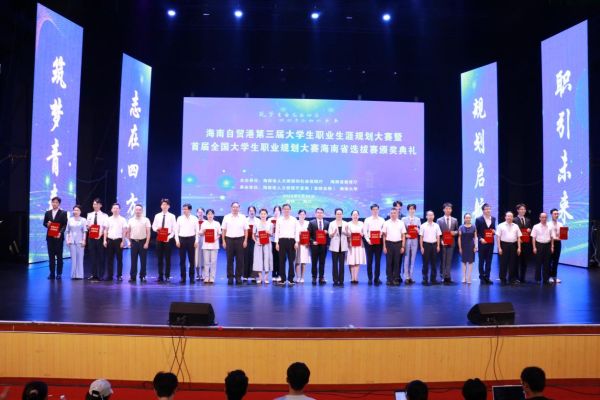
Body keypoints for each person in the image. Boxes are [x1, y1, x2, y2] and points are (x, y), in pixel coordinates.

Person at [222, 202, 249, 285]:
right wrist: (223, 241)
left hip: (240, 240)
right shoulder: (226, 217)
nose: (235, 208)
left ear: (239, 208)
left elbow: (246, 230)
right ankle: (230, 277)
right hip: (229, 240)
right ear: (231, 208)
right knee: (229, 260)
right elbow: (224, 230)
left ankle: (238, 277)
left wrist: (245, 240)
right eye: (233, 207)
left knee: (240, 260)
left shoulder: (243, 217)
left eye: (237, 207)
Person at [43, 196, 68, 280]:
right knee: (51, 257)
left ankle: (59, 274)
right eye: (53, 202)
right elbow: (44, 223)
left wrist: (60, 233)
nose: (54, 204)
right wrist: (47, 224)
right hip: (50, 237)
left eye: (56, 202)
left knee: (59, 256)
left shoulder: (63, 213)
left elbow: (65, 225)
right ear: (51, 203)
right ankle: (52, 273)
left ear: (59, 204)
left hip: (58, 237)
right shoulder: (47, 213)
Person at [152, 199, 177, 282]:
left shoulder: (172, 216)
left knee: (168, 258)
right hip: (159, 236)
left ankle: (167, 275)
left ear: (169, 206)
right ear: (161, 206)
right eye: (163, 204)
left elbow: (174, 229)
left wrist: (169, 237)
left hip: (168, 237)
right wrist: (157, 229)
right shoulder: (157, 216)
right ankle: (160, 275)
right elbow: (153, 226)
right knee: (159, 257)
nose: (164, 206)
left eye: (166, 205)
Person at [275, 203, 299, 286]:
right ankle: (283, 279)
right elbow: (277, 232)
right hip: (281, 241)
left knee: (291, 261)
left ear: (290, 210)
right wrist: (276, 243)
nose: (286, 210)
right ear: (282, 210)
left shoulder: (294, 219)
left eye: (288, 209)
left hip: (291, 241)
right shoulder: (279, 220)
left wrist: (296, 242)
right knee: (281, 261)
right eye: (285, 209)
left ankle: (291, 279)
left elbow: (296, 232)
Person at [103, 203, 128, 281]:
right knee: (109, 259)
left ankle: (119, 275)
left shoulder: (123, 219)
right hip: (110, 240)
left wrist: (123, 241)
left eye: (117, 208)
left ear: (119, 210)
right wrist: (104, 240)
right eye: (114, 208)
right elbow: (105, 230)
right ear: (111, 210)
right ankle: (110, 275)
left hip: (118, 240)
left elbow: (124, 231)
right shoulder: (108, 219)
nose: (115, 210)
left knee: (119, 259)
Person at [175, 203, 199, 284]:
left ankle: (192, 278)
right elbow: (176, 231)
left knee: (191, 260)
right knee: (182, 260)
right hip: (182, 239)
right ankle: (183, 277)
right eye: (183, 209)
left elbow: (197, 231)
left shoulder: (194, 218)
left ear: (190, 210)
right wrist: (177, 240)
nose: (184, 210)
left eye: (185, 209)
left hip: (191, 239)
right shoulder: (179, 218)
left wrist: (196, 241)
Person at [496, 211, 522, 285]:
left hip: (513, 245)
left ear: (513, 217)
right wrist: (499, 248)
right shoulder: (500, 225)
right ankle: (502, 278)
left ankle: (511, 279)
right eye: (508, 216)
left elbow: (519, 237)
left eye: (511, 216)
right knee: (503, 263)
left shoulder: (516, 226)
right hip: (504, 245)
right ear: (505, 217)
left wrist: (519, 248)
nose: (509, 217)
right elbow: (498, 237)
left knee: (512, 263)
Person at [382, 207, 406, 285]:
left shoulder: (401, 223)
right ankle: (389, 279)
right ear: (390, 214)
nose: (393, 214)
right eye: (391, 213)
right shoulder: (386, 223)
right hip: (389, 244)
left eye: (394, 213)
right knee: (389, 262)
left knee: (397, 262)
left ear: (397, 214)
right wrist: (384, 246)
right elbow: (384, 236)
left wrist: (403, 246)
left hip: (398, 244)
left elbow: (403, 235)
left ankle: (396, 278)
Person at [128, 204, 151, 282]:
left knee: (143, 260)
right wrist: (130, 241)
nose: (138, 211)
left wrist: (147, 243)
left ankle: (143, 276)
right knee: (133, 260)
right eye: (136, 209)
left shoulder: (146, 220)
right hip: (134, 242)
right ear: (134, 210)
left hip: (143, 242)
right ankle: (133, 276)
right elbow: (128, 232)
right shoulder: (130, 220)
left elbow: (148, 232)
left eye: (139, 210)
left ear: (142, 211)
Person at [362, 203, 385, 286]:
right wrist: (368, 241)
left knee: (378, 261)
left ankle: (376, 278)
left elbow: (383, 230)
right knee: (369, 260)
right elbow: (365, 232)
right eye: (373, 209)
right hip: (369, 242)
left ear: (378, 210)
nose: (375, 211)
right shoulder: (367, 220)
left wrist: (380, 234)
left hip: (379, 242)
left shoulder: (382, 220)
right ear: (371, 210)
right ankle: (370, 278)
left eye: (376, 209)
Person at [86, 198, 108, 281]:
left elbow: (105, 228)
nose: (95, 205)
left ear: (100, 205)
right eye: (94, 204)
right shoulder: (89, 214)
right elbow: (87, 226)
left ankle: (101, 275)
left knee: (101, 256)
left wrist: (100, 235)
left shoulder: (104, 215)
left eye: (96, 204)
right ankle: (93, 274)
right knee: (92, 256)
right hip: (91, 238)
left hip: (100, 238)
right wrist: (88, 227)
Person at [437, 202, 458, 284]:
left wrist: (454, 233)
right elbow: (438, 232)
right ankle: (442, 276)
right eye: (446, 208)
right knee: (443, 260)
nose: (448, 210)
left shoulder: (455, 220)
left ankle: (448, 276)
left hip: (451, 242)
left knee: (449, 260)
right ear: (443, 210)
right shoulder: (439, 220)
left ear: (451, 210)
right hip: (443, 242)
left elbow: (457, 230)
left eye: (449, 209)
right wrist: (440, 241)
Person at [475, 203, 496, 285]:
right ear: (483, 210)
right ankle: (481, 277)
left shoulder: (493, 219)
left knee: (489, 261)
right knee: (481, 260)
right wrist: (480, 239)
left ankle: (487, 277)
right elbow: (477, 232)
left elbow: (493, 229)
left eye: (489, 209)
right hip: (482, 243)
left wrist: (494, 231)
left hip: (490, 242)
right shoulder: (478, 219)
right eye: (486, 209)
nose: (488, 210)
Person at [308, 207, 329, 285]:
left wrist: (327, 232)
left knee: (322, 262)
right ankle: (314, 277)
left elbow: (329, 235)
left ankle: (321, 277)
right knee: (314, 262)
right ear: (315, 214)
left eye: (321, 213)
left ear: (323, 214)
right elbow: (308, 235)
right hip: (314, 246)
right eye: (318, 212)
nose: (319, 214)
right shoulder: (311, 223)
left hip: (323, 246)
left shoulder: (327, 223)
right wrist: (312, 241)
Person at [420, 211, 441, 285]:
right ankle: (425, 279)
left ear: (434, 216)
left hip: (434, 245)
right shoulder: (423, 225)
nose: (430, 216)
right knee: (425, 263)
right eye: (429, 215)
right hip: (426, 245)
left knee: (434, 263)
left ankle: (433, 279)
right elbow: (421, 237)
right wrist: (421, 247)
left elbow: (438, 236)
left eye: (432, 215)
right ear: (426, 216)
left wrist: (438, 246)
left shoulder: (436, 225)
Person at [199, 209, 221, 284]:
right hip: (206, 245)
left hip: (214, 245)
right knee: (206, 262)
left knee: (213, 262)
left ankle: (212, 278)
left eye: (211, 214)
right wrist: (203, 231)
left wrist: (215, 238)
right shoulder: (204, 223)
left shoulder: (217, 223)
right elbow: (200, 233)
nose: (210, 215)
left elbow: (219, 234)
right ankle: (206, 277)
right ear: (206, 215)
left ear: (213, 215)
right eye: (208, 214)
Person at [402, 204, 421, 284]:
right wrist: (406, 235)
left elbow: (420, 231)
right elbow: (402, 230)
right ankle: (406, 276)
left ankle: (411, 276)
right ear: (408, 210)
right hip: (407, 240)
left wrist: (417, 229)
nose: (412, 210)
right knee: (406, 258)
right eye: (410, 209)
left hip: (415, 240)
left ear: (415, 210)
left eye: (413, 209)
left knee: (413, 258)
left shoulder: (418, 219)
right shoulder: (404, 219)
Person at [65, 205, 87, 279]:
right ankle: (73, 275)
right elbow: (67, 231)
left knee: (80, 258)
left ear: (80, 211)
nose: (75, 211)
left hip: (80, 241)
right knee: (73, 259)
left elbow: (84, 231)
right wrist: (67, 240)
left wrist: (84, 240)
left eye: (77, 210)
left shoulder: (83, 220)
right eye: (74, 210)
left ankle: (79, 275)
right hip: (71, 241)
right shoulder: (70, 220)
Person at [531, 212, 553, 284]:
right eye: (542, 217)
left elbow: (552, 237)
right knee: (538, 262)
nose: (544, 219)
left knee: (547, 263)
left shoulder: (550, 226)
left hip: (547, 245)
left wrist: (552, 246)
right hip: (539, 245)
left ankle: (546, 279)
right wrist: (534, 247)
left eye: (545, 217)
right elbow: (533, 238)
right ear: (539, 218)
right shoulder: (536, 226)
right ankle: (538, 279)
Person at [329, 208, 348, 287]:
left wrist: (345, 232)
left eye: (340, 214)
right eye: (337, 214)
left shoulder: (346, 223)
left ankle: (341, 280)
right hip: (334, 246)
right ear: (335, 215)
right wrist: (333, 233)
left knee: (342, 264)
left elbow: (349, 234)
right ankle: (335, 280)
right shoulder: (332, 223)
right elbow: (330, 235)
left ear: (342, 215)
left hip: (343, 246)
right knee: (334, 264)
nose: (339, 215)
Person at [253, 208, 273, 284]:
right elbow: (253, 235)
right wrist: (256, 241)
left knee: (267, 259)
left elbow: (272, 234)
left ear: (267, 215)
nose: (263, 215)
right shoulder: (256, 224)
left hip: (267, 243)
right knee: (258, 259)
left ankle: (266, 277)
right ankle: (260, 277)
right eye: (261, 214)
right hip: (258, 243)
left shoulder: (270, 224)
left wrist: (268, 232)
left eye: (264, 214)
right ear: (259, 215)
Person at [346, 210, 366, 284]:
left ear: (359, 216)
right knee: (352, 261)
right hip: (351, 244)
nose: (355, 216)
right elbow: (347, 235)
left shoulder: (362, 223)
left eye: (356, 215)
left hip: (359, 244)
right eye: (354, 215)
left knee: (357, 260)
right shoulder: (348, 224)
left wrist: (362, 234)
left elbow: (364, 233)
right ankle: (352, 277)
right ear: (351, 216)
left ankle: (356, 277)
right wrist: (349, 239)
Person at [514, 204, 533, 282]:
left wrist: (530, 230)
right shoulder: (514, 220)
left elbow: (530, 229)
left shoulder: (528, 220)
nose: (523, 211)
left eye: (524, 209)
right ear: (518, 210)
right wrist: (518, 239)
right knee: (516, 261)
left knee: (524, 261)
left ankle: (522, 277)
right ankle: (516, 277)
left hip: (526, 243)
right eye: (521, 209)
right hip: (516, 243)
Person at [458, 213, 478, 284]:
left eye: (469, 218)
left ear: (471, 218)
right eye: (466, 218)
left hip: (471, 246)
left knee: (470, 262)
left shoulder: (474, 227)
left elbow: (475, 237)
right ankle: (464, 277)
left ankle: (469, 277)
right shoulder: (461, 227)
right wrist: (460, 247)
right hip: (463, 245)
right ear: (464, 219)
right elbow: (459, 238)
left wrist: (476, 246)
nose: (468, 219)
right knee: (463, 262)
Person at [547, 208, 564, 284]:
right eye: (555, 214)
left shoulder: (560, 224)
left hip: (558, 243)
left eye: (557, 214)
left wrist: (564, 235)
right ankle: (549, 276)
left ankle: (554, 276)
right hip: (550, 243)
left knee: (556, 260)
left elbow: (562, 235)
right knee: (549, 260)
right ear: (551, 215)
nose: (556, 215)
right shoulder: (548, 224)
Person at [295, 209, 311, 283]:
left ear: (305, 215)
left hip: (305, 244)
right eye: (300, 214)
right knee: (297, 261)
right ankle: (297, 277)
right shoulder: (295, 222)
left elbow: (310, 233)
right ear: (298, 215)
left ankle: (302, 277)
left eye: (303, 214)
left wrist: (309, 242)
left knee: (304, 261)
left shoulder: (308, 223)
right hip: (297, 243)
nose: (302, 216)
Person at [244, 206, 259, 284]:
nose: (251, 212)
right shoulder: (245, 220)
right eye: (250, 211)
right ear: (248, 212)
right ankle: (245, 276)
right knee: (246, 258)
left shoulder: (258, 221)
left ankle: (254, 276)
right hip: (246, 241)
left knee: (254, 258)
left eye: (253, 211)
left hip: (255, 241)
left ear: (255, 212)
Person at [270, 205, 282, 282]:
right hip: (272, 240)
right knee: (273, 258)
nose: (276, 212)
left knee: (280, 258)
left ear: (280, 212)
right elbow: (267, 229)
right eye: (275, 210)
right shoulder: (270, 220)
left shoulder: (282, 220)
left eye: (278, 210)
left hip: (280, 241)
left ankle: (280, 274)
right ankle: (274, 274)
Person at [194, 208, 206, 281]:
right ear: (196, 213)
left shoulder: (206, 222)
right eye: (199, 212)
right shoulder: (194, 221)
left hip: (204, 240)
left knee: (204, 257)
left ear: (204, 213)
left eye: (201, 212)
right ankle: (197, 274)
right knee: (196, 258)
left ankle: (203, 274)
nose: (200, 213)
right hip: (196, 241)